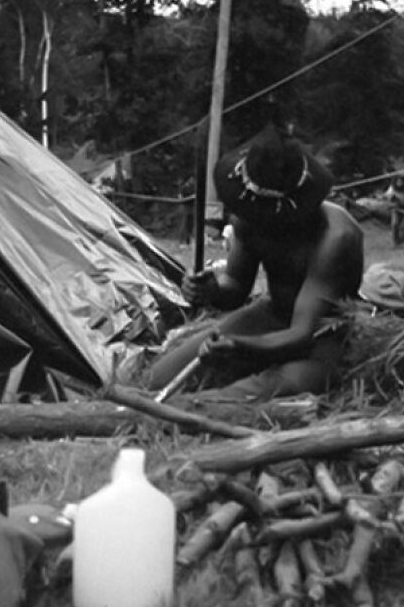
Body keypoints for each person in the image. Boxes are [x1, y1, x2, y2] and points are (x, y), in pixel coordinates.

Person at [146, 124, 364, 401]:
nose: (250, 217)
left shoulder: (336, 239)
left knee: (238, 398)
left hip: (321, 340)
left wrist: (241, 346)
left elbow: (302, 333)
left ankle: (194, 408)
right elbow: (236, 287)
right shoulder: (248, 217)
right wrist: (210, 290)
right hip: (271, 315)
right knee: (157, 380)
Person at [383, 174, 404, 247]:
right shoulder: (392, 190)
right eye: (397, 181)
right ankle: (396, 242)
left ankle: (403, 243)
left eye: (401, 181)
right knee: (395, 224)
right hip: (396, 209)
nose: (399, 183)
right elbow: (388, 200)